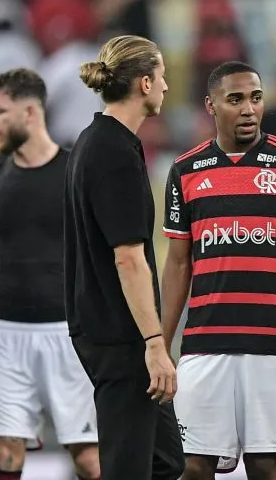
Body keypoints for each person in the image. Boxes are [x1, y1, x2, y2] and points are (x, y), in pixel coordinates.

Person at [161, 61, 276, 480]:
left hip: (272, 341)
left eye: (256, 98)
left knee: (264, 467)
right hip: (204, 342)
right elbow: (177, 262)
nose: (248, 109)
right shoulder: (186, 170)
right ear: (211, 105)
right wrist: (162, 338)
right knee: (193, 465)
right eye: (236, 99)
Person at [63, 35, 184, 480]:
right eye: (164, 77)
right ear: (146, 83)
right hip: (121, 335)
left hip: (112, 329)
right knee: (127, 468)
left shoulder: (95, 141)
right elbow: (129, 258)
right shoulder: (113, 152)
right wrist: (154, 343)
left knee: (167, 461)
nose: (168, 87)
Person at [0, 69, 100, 480]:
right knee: (4, 452)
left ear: (30, 112)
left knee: (88, 458)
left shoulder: (76, 172)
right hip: (5, 333)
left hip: (68, 333)